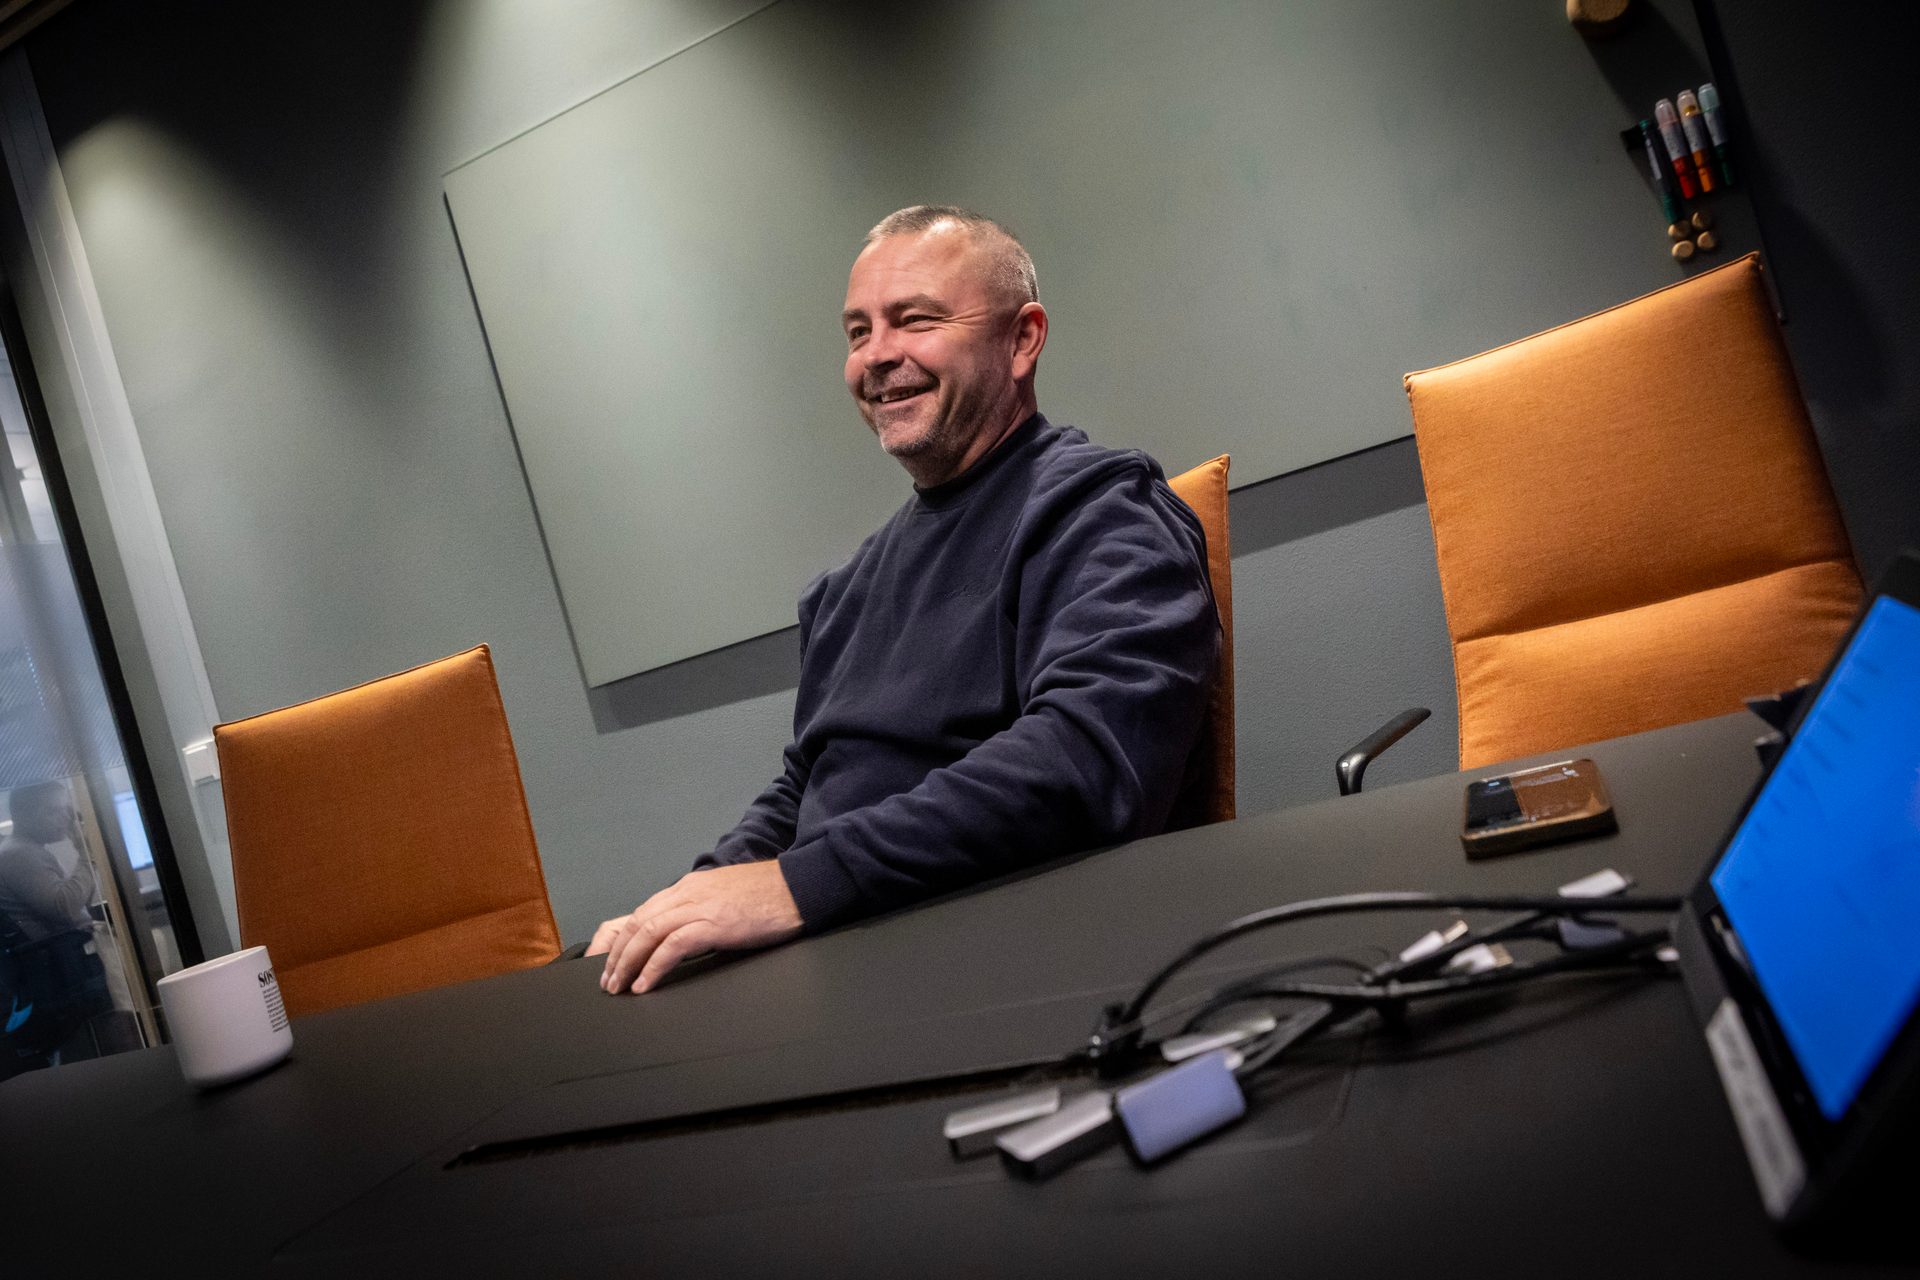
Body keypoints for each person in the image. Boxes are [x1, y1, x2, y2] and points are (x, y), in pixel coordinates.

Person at [590, 206, 1220, 994]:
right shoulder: (844, 590)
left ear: (1022, 339)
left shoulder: (1102, 512)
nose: (877, 357)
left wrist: (800, 885)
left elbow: (1085, 760)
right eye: (857, 333)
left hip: (1023, 969)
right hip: (846, 953)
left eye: (913, 320)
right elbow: (808, 785)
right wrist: (692, 900)